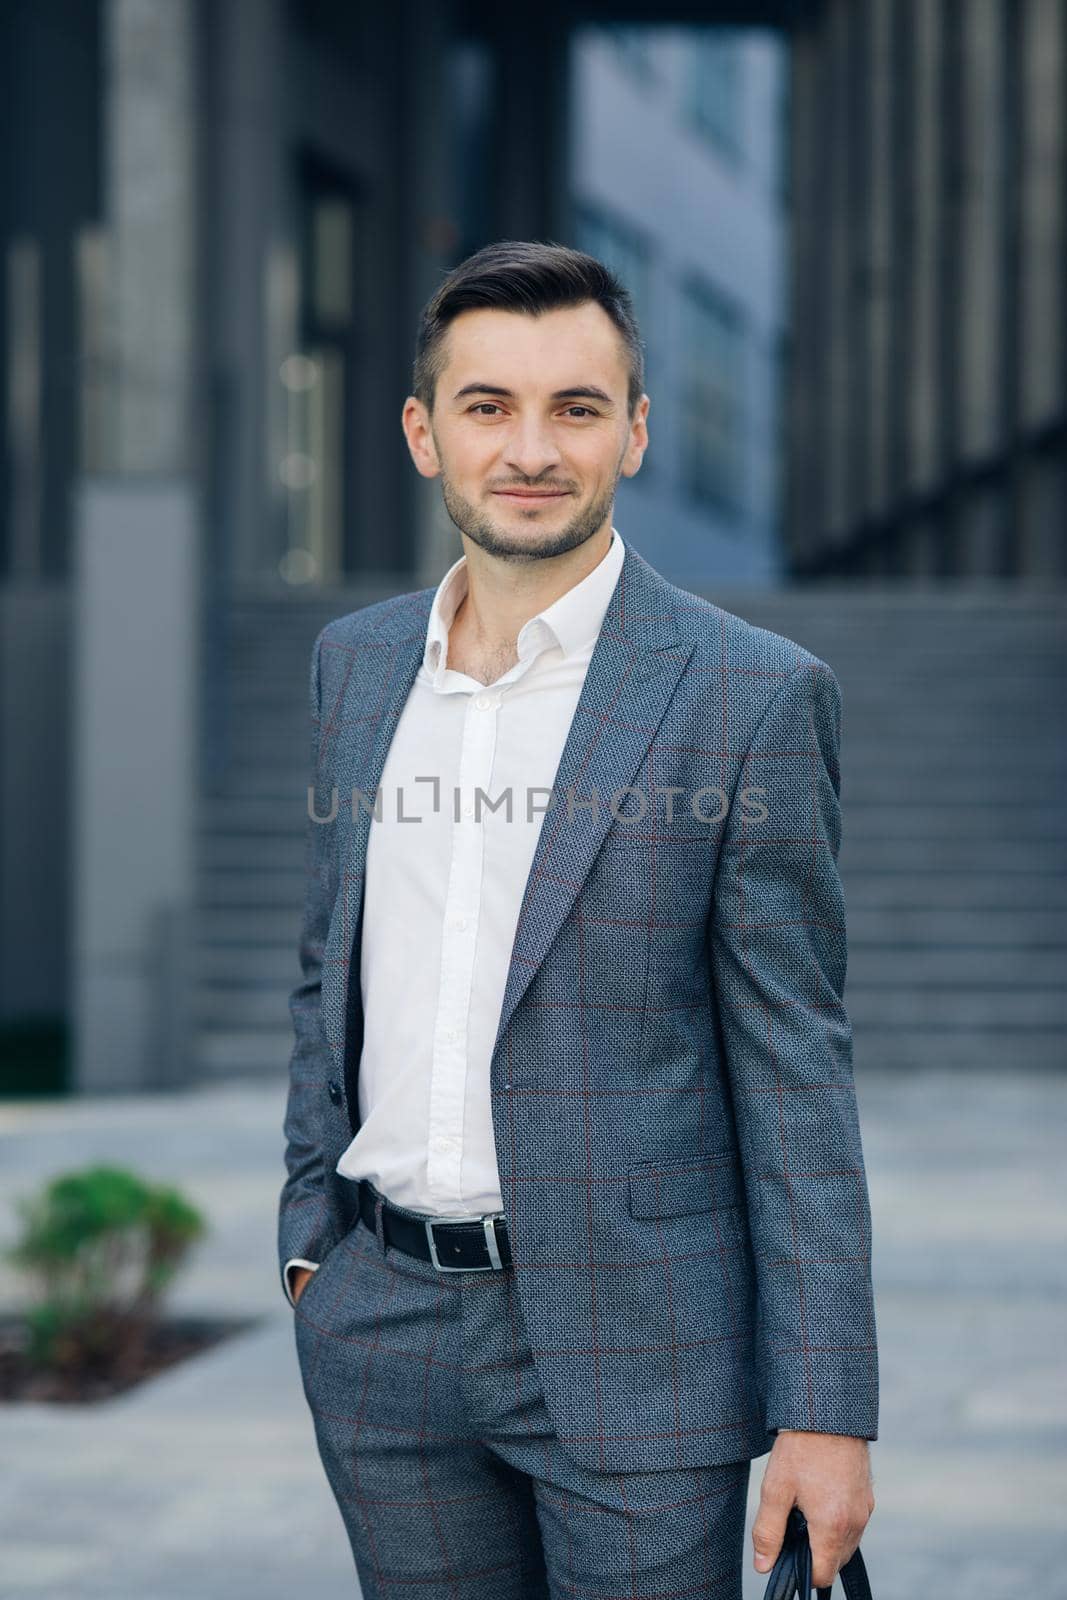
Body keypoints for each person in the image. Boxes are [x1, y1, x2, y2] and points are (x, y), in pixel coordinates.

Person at [277, 239, 877, 1598]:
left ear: (638, 433)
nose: (531, 448)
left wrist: (827, 1408)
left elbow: (796, 1071)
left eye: (578, 407)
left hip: (641, 1347)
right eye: (489, 406)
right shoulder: (356, 667)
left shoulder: (750, 697)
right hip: (382, 1333)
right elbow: (329, 967)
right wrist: (312, 1242)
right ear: (426, 434)